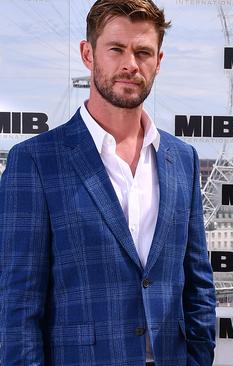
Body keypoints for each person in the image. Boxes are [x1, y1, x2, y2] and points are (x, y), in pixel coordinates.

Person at [0, 1, 216, 365]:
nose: (130, 64)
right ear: (88, 54)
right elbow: (18, 305)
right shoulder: (35, 161)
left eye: (143, 52)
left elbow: (197, 284)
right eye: (116, 49)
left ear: (158, 61)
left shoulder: (182, 159)